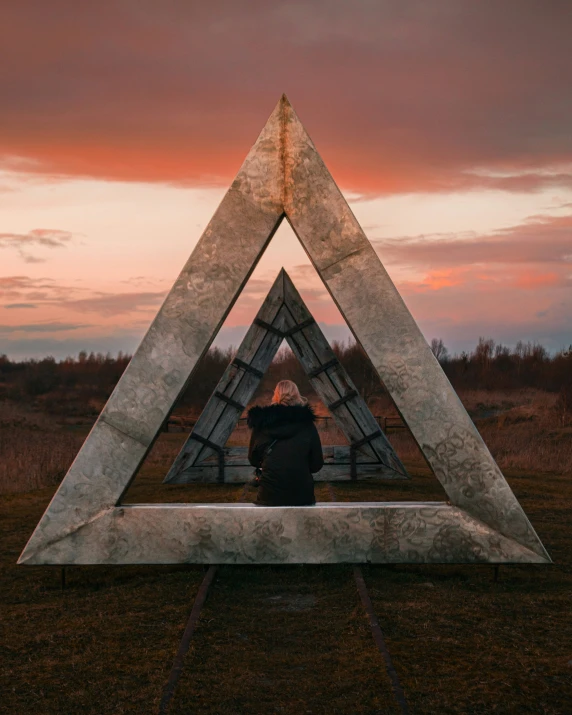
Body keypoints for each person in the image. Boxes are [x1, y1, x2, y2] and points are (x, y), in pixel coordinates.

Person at [247, 380, 324, 506]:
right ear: (297, 395)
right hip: (302, 495)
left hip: (269, 495)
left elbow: (253, 459)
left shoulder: (261, 424)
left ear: (275, 395)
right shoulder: (307, 425)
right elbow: (316, 464)